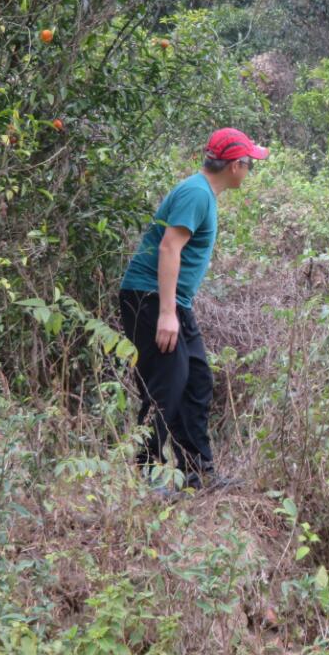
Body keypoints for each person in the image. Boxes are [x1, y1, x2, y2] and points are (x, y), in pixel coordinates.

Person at [119, 127, 268, 491]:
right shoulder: (196, 193)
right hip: (149, 298)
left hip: (173, 303)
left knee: (196, 380)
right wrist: (166, 313)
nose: (249, 170)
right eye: (249, 163)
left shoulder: (203, 193)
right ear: (235, 166)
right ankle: (147, 476)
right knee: (165, 386)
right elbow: (169, 248)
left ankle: (197, 472)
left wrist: (175, 308)